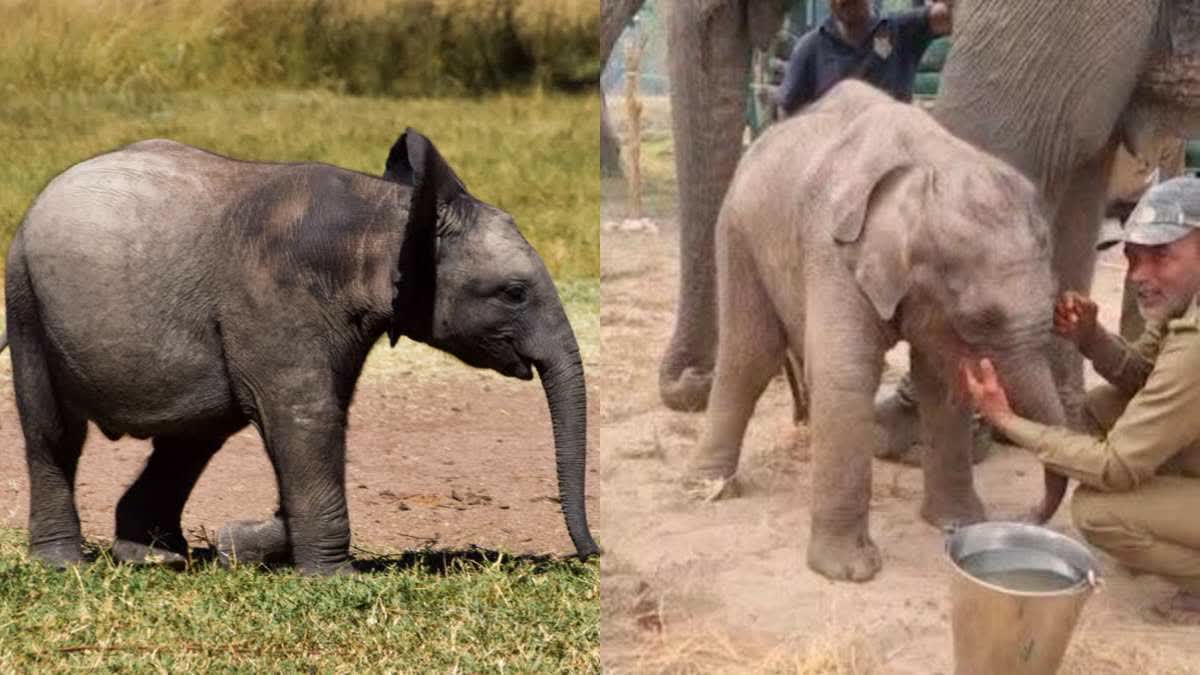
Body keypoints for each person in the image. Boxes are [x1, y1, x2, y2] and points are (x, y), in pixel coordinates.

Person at [963, 176, 1200, 625]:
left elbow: (1116, 466)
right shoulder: (1184, 303)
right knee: (1099, 408)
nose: (1139, 277)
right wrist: (1090, 339)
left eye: (1162, 256)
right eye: (1132, 259)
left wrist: (1007, 420)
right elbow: (1145, 377)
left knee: (1098, 511)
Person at [775, 0, 953, 116]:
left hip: (894, 151)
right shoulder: (810, 48)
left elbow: (950, 15)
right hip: (835, 157)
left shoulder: (900, 29)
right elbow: (788, 113)